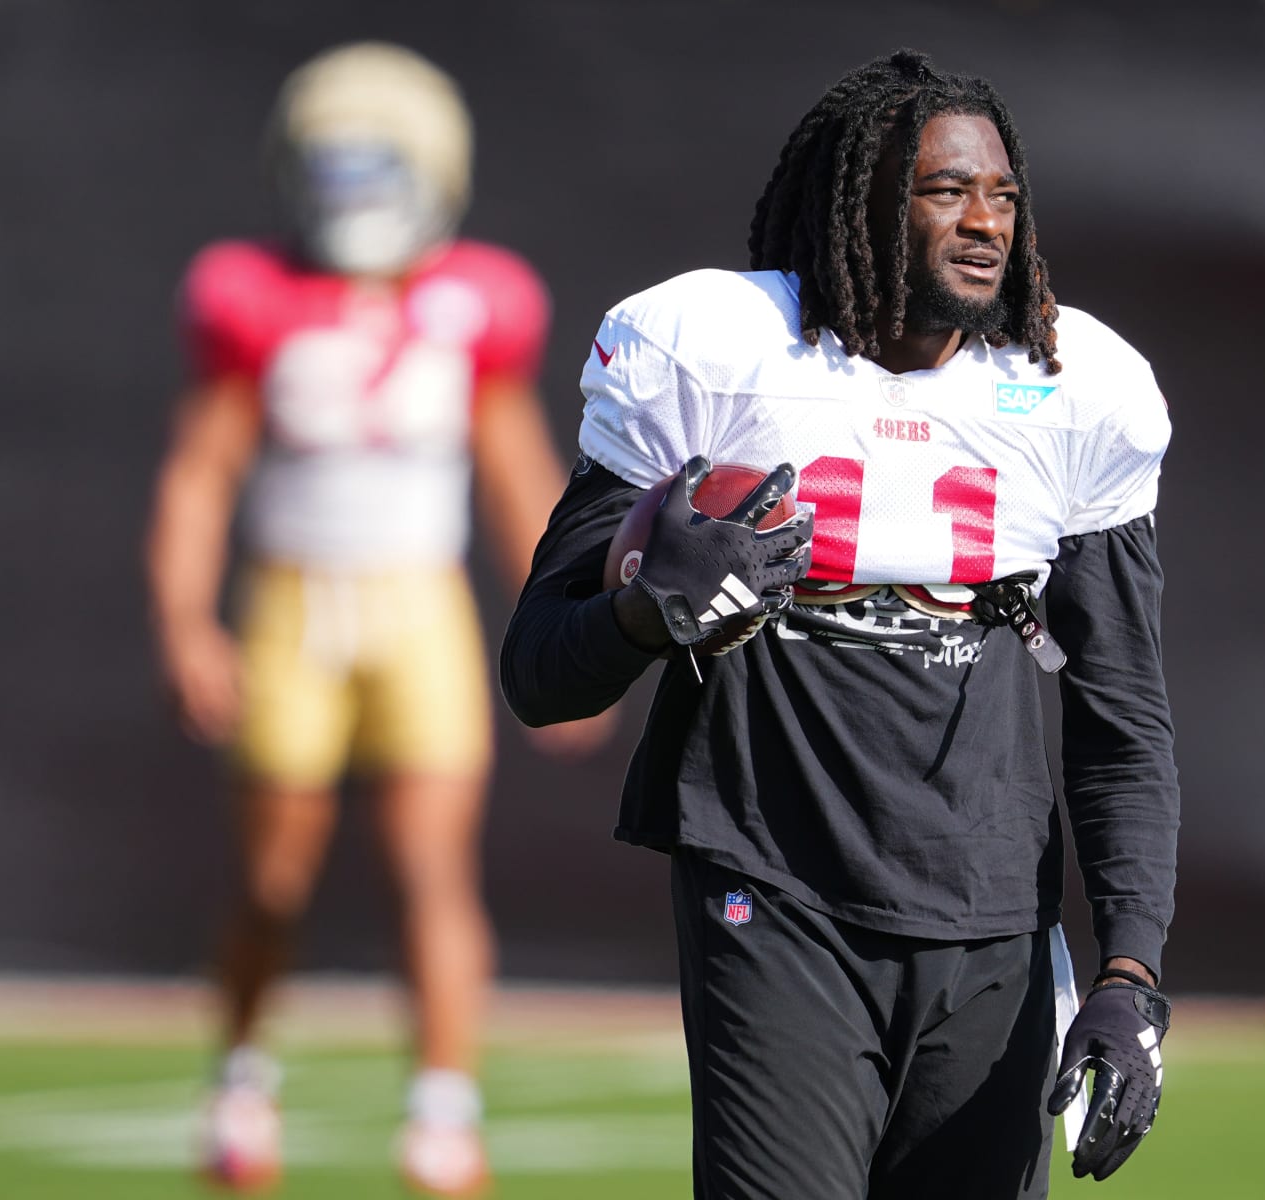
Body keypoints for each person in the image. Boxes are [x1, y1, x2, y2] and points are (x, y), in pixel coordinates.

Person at [500, 49, 1180, 1198]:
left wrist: (1130, 974)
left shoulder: (1073, 385)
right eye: (946, 190)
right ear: (866, 200)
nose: (985, 224)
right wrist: (647, 613)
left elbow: (1122, 718)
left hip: (992, 911)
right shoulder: (714, 355)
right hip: (773, 886)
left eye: (1003, 196)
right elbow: (539, 673)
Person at [145, 41, 608, 1197]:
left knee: (431, 872)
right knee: (271, 885)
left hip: (418, 606)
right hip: (294, 604)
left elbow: (519, 476)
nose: (355, 199)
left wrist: (571, 641)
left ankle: (442, 1113)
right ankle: (241, 1077)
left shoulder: (477, 300)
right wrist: (187, 623)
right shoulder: (250, 292)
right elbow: (200, 473)